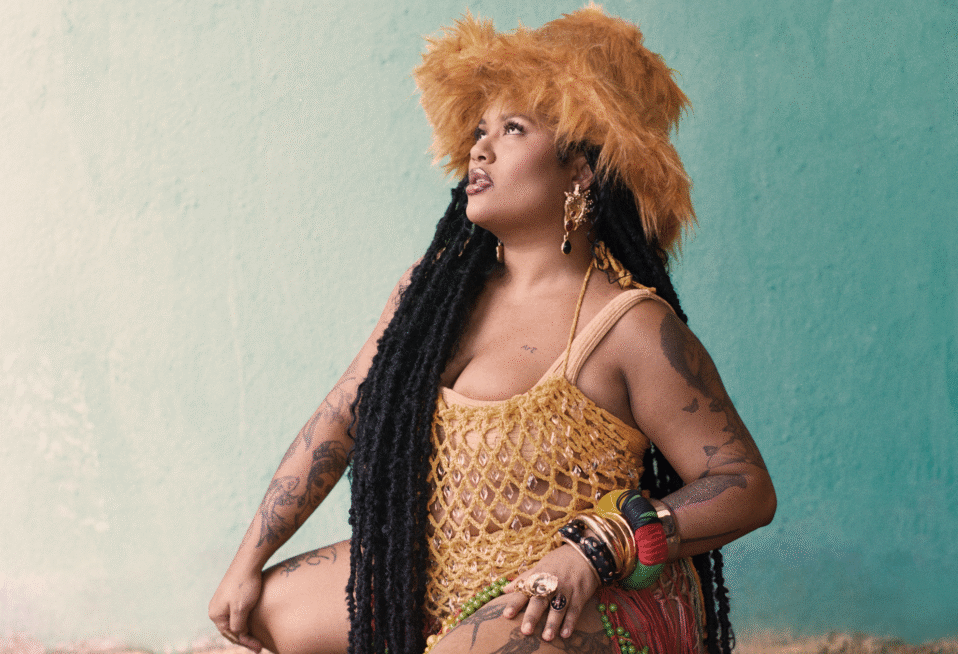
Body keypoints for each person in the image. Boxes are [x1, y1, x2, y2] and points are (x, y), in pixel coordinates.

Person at [209, 7, 776, 654]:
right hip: (445, 572)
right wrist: (247, 560)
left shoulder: (629, 324)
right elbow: (343, 414)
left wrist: (598, 547)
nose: (480, 148)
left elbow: (747, 487)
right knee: (261, 611)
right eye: (480, 130)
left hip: (568, 593)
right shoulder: (430, 296)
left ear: (580, 170)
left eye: (513, 128)